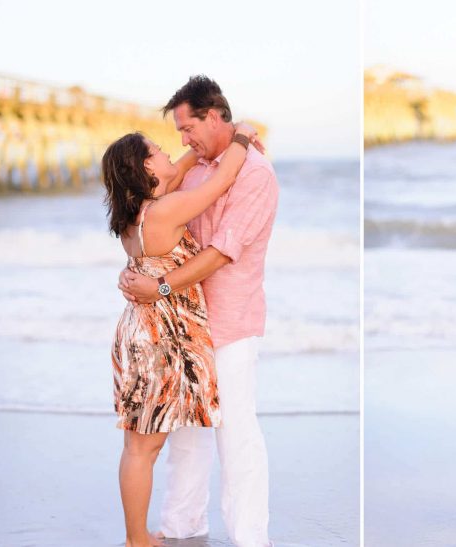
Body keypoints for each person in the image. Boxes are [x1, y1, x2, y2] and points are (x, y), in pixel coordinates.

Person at [117, 75, 279, 547]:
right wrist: (137, 275)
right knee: (185, 430)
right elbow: (152, 227)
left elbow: (222, 252)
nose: (181, 140)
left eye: (187, 128)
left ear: (213, 116)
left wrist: (158, 286)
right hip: (180, 328)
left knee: (236, 431)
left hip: (227, 320)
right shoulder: (193, 169)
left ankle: (250, 537)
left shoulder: (253, 173)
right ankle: (183, 526)